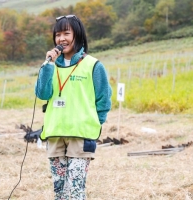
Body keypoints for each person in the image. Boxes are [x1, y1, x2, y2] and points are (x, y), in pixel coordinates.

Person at [35, 15, 112, 200]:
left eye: (66, 33)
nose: (61, 39)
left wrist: (95, 122)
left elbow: (104, 99)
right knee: (60, 192)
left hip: (81, 135)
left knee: (75, 190)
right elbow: (42, 94)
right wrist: (48, 65)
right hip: (55, 134)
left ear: (77, 35)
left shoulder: (93, 65)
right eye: (58, 34)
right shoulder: (50, 66)